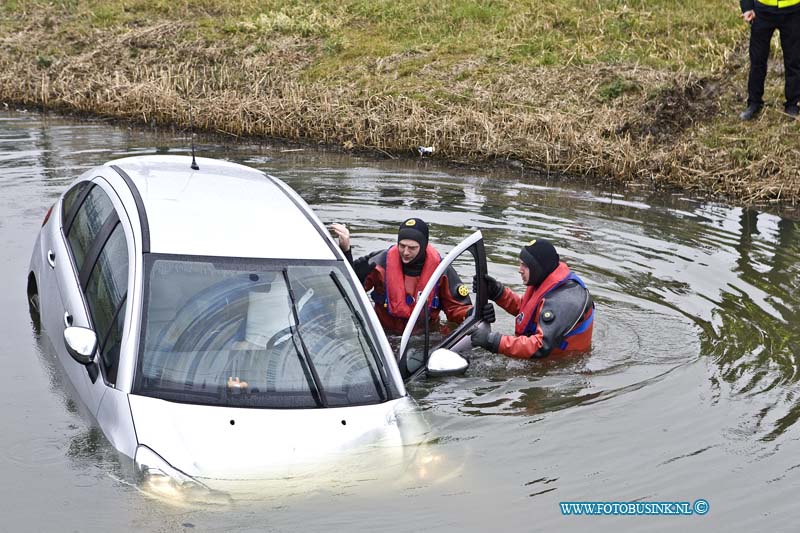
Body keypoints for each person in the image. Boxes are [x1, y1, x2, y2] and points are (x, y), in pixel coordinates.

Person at [330, 218, 474, 334]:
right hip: (384, 335)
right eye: (402, 245)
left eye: (412, 248)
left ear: (423, 246)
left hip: (424, 338)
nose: (405, 252)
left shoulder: (441, 270)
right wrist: (345, 250)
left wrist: (475, 313)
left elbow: (458, 309)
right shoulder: (379, 263)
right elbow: (348, 285)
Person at [470, 238, 594, 359]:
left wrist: (493, 341)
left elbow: (541, 346)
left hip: (563, 366)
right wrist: (498, 293)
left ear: (538, 268)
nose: (520, 270)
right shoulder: (544, 280)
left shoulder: (563, 300)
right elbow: (526, 311)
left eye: (525, 265)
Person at [739, 0, 800, 120]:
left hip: (793, 10)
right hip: (762, 11)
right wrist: (747, 7)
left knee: (794, 60)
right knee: (757, 60)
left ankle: (793, 104)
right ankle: (754, 103)